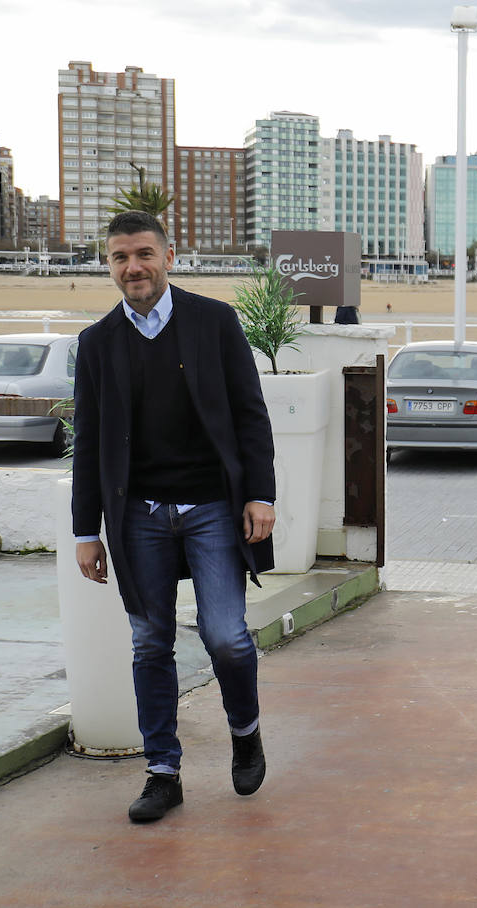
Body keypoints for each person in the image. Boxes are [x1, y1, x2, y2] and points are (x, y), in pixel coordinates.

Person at [72, 210, 277, 824]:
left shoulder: (214, 322)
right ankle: (163, 772)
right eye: (119, 258)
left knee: (227, 638)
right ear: (109, 265)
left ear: (169, 255)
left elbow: (250, 415)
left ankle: (245, 729)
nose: (132, 267)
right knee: (149, 643)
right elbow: (89, 441)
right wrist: (87, 530)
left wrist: (260, 495)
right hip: (138, 514)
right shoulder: (97, 343)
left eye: (143, 254)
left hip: (213, 507)